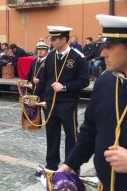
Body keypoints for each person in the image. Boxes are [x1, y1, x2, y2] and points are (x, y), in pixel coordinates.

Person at [58, 14, 127, 190]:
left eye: (109, 46)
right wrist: (71, 163)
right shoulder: (105, 82)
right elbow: (90, 130)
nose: (102, 53)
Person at [34, 26, 89, 171]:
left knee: (71, 136)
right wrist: (36, 96)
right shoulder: (51, 55)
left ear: (64, 39)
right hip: (50, 102)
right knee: (51, 135)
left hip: (68, 103)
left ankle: (71, 166)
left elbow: (84, 81)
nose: (51, 41)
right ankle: (51, 165)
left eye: (54, 39)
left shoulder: (78, 57)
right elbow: (44, 78)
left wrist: (64, 87)